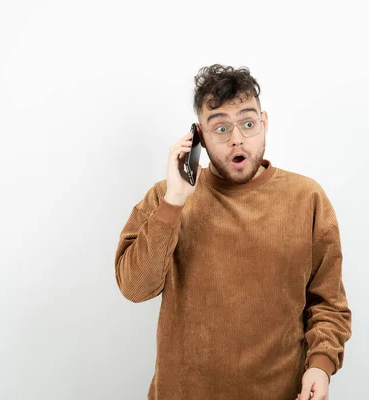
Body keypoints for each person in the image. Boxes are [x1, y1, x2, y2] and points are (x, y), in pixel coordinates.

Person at [114, 64, 352, 400]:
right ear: (199, 136)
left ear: (264, 123)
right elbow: (134, 287)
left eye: (248, 123)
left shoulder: (307, 198)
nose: (237, 138)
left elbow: (328, 303)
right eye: (221, 128)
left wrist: (321, 364)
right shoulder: (167, 198)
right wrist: (174, 202)